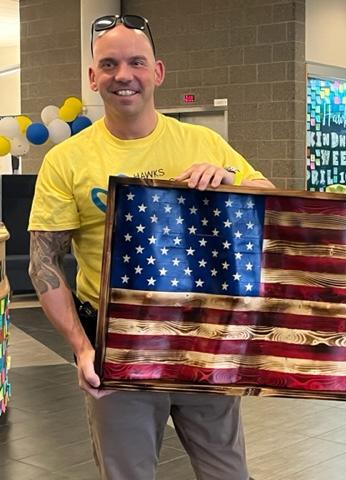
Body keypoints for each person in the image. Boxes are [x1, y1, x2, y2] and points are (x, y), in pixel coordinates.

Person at [28, 14, 274, 480]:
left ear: (157, 72)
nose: (124, 75)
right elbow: (44, 264)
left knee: (228, 472)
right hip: (116, 347)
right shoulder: (66, 161)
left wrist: (228, 182)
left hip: (204, 341)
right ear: (92, 76)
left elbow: (273, 201)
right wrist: (82, 349)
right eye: (110, 63)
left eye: (136, 62)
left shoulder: (202, 141)